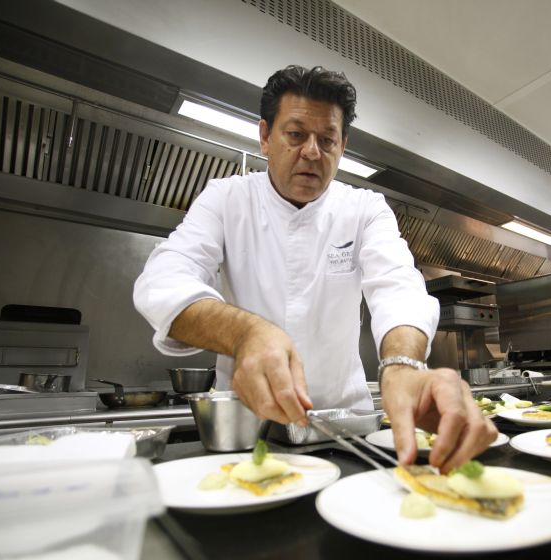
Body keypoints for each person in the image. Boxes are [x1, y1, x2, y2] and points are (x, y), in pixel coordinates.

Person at [134, 65, 497, 471]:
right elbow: (164, 280)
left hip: (346, 430)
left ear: (342, 146)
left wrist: (403, 365)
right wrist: (246, 333)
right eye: (295, 135)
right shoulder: (226, 199)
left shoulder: (364, 209)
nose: (311, 152)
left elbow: (398, 288)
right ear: (265, 137)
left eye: (327, 140)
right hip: (247, 431)